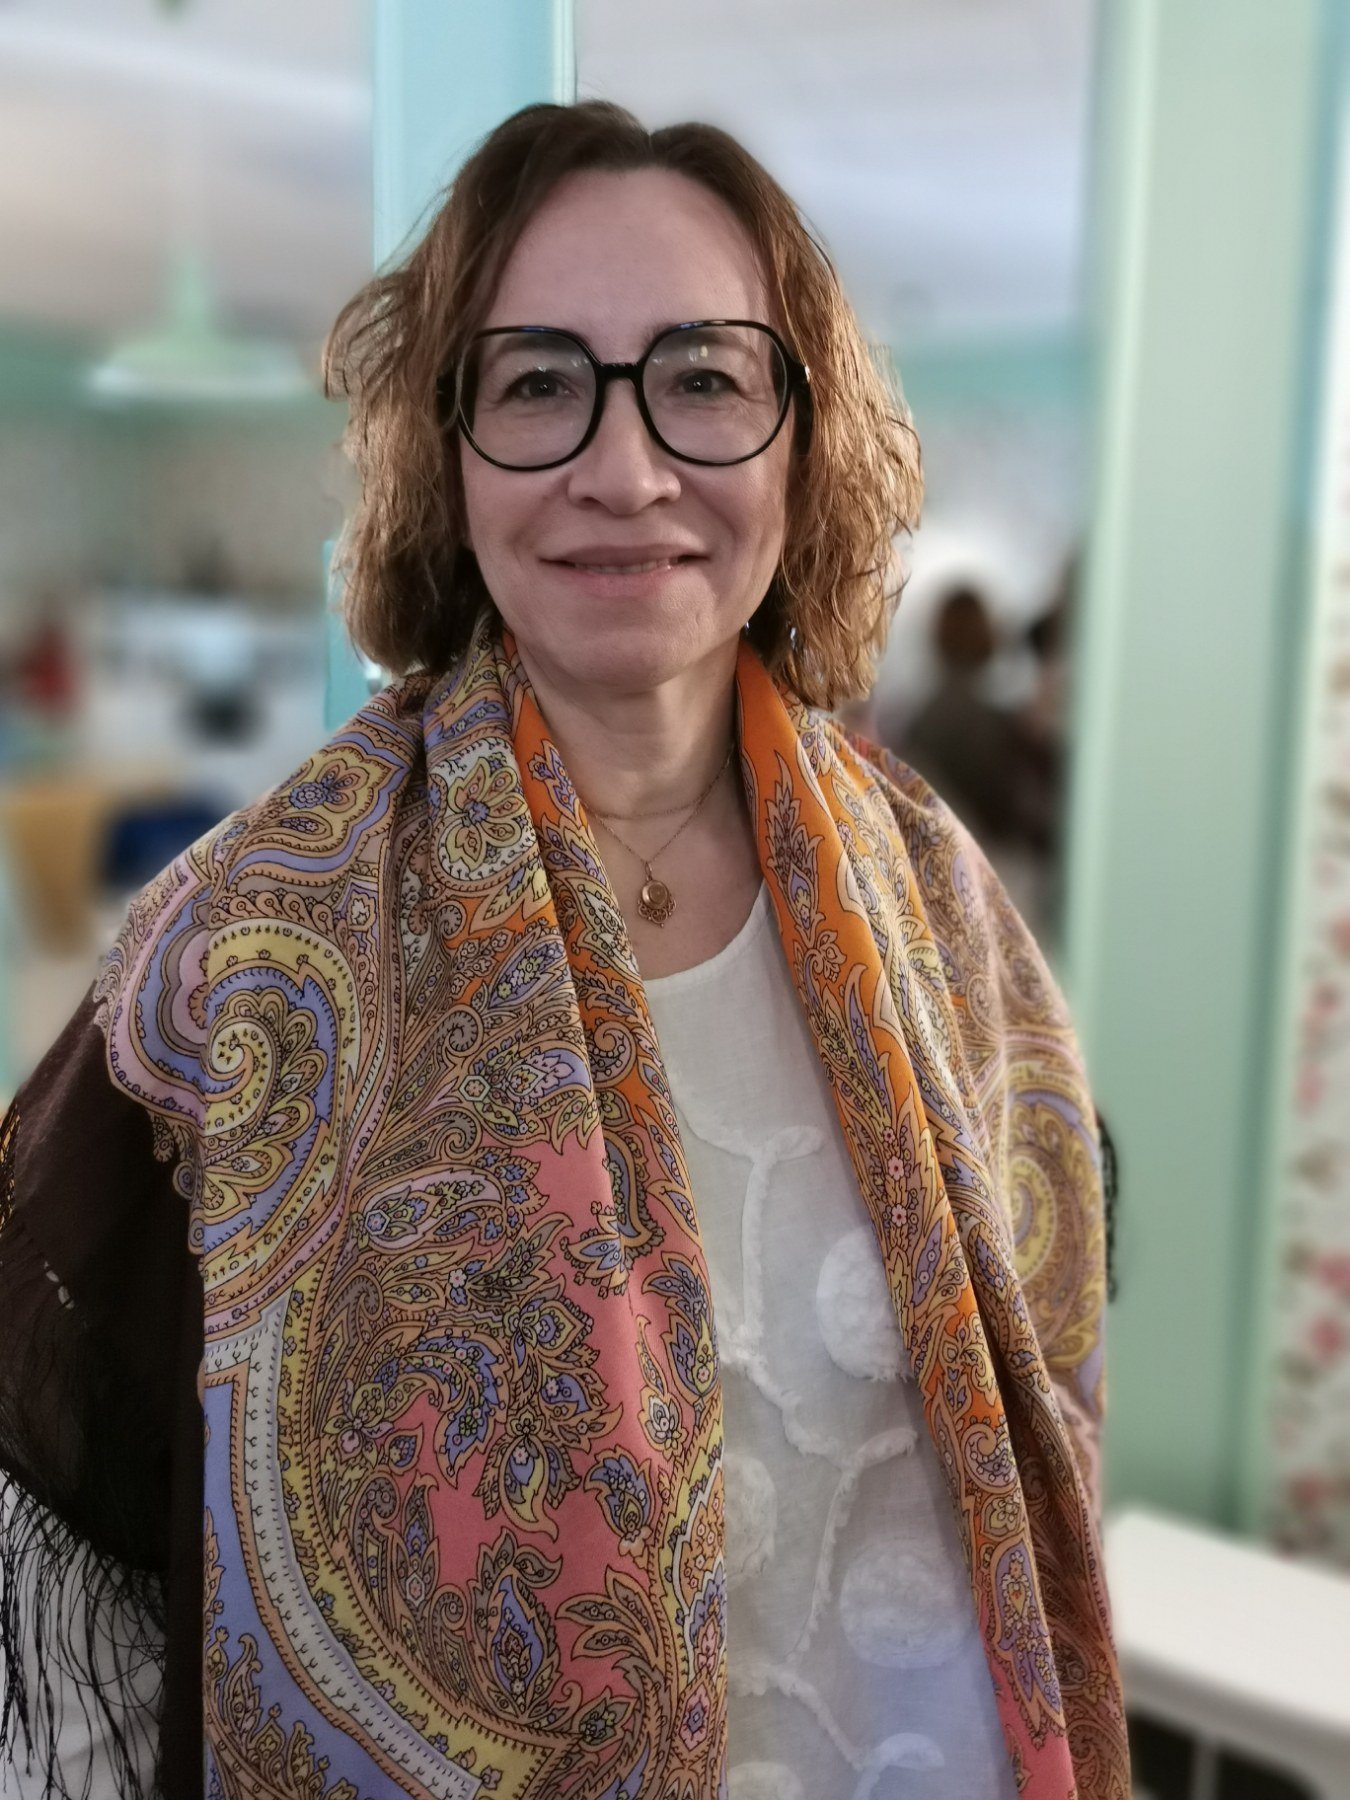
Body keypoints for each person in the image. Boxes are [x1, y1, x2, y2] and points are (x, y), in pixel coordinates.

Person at [0, 102, 1127, 1800]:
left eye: (702, 377)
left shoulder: (938, 905)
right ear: (445, 450)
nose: (624, 468)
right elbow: (56, 1516)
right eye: (538, 382)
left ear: (800, 430)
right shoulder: (250, 946)